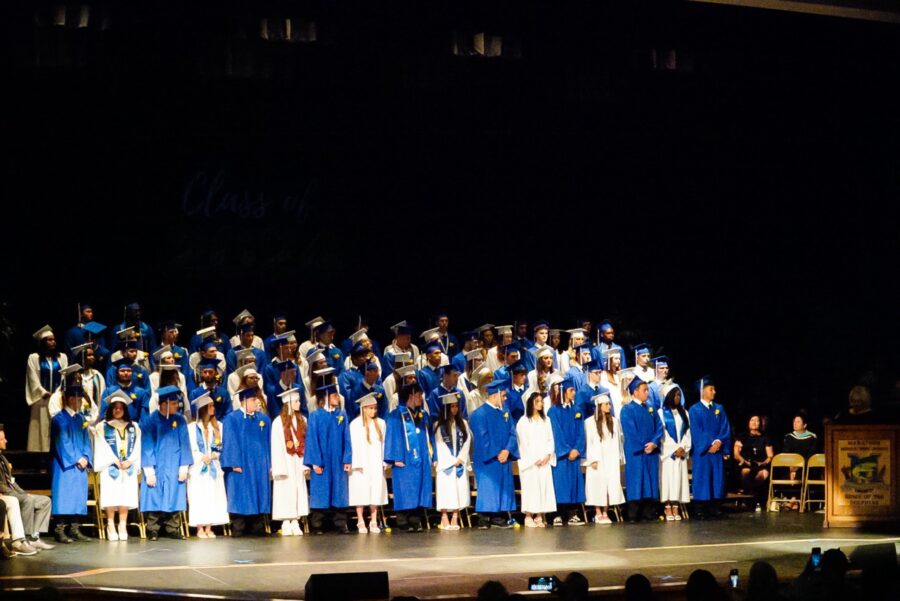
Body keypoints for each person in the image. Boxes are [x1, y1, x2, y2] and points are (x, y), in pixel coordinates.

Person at [140, 386, 192, 540]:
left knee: (175, 493)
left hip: (174, 464)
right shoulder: (150, 421)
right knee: (154, 493)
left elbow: (185, 444)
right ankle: (153, 529)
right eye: (174, 404)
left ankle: (172, 528)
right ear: (164, 403)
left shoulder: (180, 421)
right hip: (157, 465)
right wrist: (149, 472)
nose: (177, 406)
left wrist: (184, 467)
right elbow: (147, 446)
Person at [221, 387, 272, 537]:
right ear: (243, 401)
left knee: (258, 492)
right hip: (241, 464)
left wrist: (269, 463)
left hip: (259, 464)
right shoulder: (232, 419)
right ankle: (239, 527)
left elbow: (268, 442)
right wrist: (233, 462)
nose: (256, 402)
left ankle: (257, 526)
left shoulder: (263, 419)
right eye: (252, 400)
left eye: (256, 399)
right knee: (240, 493)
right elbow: (229, 441)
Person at [385, 381, 434, 532]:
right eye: (419, 395)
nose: (421, 398)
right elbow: (392, 437)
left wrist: (434, 456)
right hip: (404, 459)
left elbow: (430, 437)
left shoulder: (423, 415)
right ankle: (402, 520)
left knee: (419, 488)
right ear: (411, 396)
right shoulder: (396, 415)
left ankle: (415, 519)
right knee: (405, 488)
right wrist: (395, 458)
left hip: (422, 458)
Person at [470, 379, 519, 529]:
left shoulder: (505, 412)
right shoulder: (479, 414)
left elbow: (513, 433)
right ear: (495, 395)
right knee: (488, 486)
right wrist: (498, 452)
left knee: (503, 486)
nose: (505, 399)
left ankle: (499, 517)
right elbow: (482, 437)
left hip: (503, 457)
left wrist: (507, 450)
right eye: (503, 396)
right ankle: (484, 518)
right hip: (487, 460)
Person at [93, 390, 142, 541]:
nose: (118, 410)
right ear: (110, 409)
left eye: (121, 407)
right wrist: (113, 460)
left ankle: (122, 524)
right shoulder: (102, 426)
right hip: (110, 467)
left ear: (125, 409)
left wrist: (130, 460)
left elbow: (138, 446)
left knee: (125, 496)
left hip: (128, 467)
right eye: (115, 407)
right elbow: (100, 445)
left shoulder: (134, 426)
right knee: (111, 496)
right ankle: (110, 524)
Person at [304, 381, 352, 534]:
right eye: (334, 395)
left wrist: (347, 459)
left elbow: (347, 438)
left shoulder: (341, 415)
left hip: (338, 460)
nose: (338, 398)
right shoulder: (315, 416)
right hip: (322, 460)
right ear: (325, 397)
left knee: (339, 490)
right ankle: (317, 524)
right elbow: (311, 439)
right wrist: (315, 462)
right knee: (321, 490)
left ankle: (340, 523)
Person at [50, 382, 93, 543]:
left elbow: (86, 441)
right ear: (69, 399)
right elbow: (63, 441)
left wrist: (86, 457)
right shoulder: (59, 419)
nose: (81, 402)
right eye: (78, 399)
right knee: (64, 495)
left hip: (80, 464)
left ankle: (75, 529)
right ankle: (59, 529)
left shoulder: (81, 418)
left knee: (77, 496)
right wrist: (77, 458)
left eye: (81, 399)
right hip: (65, 465)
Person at [0, 424, 54, 552]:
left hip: (13, 491)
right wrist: (21, 495)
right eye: (3, 439)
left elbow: (12, 480)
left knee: (45, 501)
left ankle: (35, 538)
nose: (6, 441)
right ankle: (25, 538)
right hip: (5, 494)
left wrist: (23, 493)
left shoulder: (3, 458)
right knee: (27, 500)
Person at [688, 376, 732, 519]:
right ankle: (700, 509)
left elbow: (725, 428)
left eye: (714, 389)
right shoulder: (694, 409)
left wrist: (719, 442)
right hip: (703, 453)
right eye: (711, 389)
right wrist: (709, 444)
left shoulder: (719, 408)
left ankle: (715, 507)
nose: (714, 392)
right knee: (703, 478)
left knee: (716, 478)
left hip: (716, 452)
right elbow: (696, 431)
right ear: (702, 391)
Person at [620, 378, 663, 522]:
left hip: (650, 452)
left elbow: (659, 427)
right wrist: (644, 446)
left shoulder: (651, 407)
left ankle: (649, 513)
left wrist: (654, 443)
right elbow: (630, 432)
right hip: (636, 454)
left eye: (647, 390)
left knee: (650, 481)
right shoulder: (627, 409)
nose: (647, 393)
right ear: (635, 392)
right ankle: (634, 514)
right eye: (644, 390)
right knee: (637, 481)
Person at [187, 391, 229, 538]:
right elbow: (191, 447)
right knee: (199, 496)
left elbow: (220, 445)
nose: (213, 408)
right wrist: (200, 456)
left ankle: (209, 526)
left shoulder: (218, 427)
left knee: (212, 495)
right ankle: (200, 527)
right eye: (210, 406)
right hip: (198, 468)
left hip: (213, 466)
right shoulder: (192, 428)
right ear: (203, 408)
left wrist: (214, 454)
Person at [271, 388, 310, 536]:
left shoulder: (303, 420)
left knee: (298, 489)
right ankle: (285, 521)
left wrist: (306, 464)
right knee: (285, 490)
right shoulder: (278, 423)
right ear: (288, 403)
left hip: (298, 460)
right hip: (285, 461)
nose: (299, 403)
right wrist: (279, 467)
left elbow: (306, 443)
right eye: (296, 401)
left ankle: (295, 520)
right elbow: (276, 446)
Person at [548, 379, 586, 526]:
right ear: (564, 392)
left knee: (573, 484)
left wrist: (577, 449)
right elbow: (556, 433)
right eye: (571, 390)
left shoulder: (577, 410)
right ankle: (557, 514)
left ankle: (572, 514)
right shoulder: (553, 411)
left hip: (574, 455)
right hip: (562, 456)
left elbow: (581, 432)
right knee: (561, 484)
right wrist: (566, 450)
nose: (574, 393)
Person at [348, 392, 388, 534]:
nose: (373, 411)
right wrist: (356, 463)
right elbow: (352, 445)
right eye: (370, 408)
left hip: (375, 461)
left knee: (375, 491)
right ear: (363, 408)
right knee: (360, 491)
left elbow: (384, 444)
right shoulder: (355, 424)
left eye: (375, 408)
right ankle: (360, 520)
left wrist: (384, 461)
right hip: (361, 463)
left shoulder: (381, 423)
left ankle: (374, 520)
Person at [515, 392, 556, 528]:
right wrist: (534, 459)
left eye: (541, 401)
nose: (541, 403)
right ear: (531, 402)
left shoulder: (546, 420)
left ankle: (539, 514)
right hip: (531, 462)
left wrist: (548, 455)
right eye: (537, 401)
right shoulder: (524, 421)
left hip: (544, 460)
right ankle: (528, 515)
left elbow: (551, 439)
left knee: (543, 486)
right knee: (531, 488)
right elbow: (523, 443)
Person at [584, 392, 625, 524]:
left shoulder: (614, 421)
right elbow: (588, 442)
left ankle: (606, 512)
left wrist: (619, 458)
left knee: (609, 485)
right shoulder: (589, 422)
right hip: (597, 459)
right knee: (597, 485)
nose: (609, 406)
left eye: (609, 404)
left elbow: (619, 441)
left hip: (611, 459)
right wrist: (592, 459)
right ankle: (598, 512)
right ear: (599, 406)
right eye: (606, 404)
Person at [26, 325, 68, 451]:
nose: (53, 342)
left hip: (57, 400)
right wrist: (43, 392)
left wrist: (56, 393)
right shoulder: (34, 358)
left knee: (56, 427)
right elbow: (32, 377)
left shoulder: (62, 357)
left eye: (54, 339)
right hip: (41, 400)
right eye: (49, 340)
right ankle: (42, 459)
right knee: (42, 429)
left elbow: (64, 376)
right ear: (43, 342)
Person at [434, 392, 471, 530]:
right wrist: (451, 461)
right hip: (446, 465)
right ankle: (444, 516)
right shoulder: (438, 425)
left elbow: (467, 441)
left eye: (456, 406)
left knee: (459, 490)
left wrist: (461, 458)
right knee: (446, 490)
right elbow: (440, 445)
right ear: (446, 408)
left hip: (459, 463)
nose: (454, 409)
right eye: (452, 407)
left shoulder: (463, 424)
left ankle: (455, 516)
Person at [658, 384, 691, 521]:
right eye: (676, 395)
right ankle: (667, 506)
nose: (678, 398)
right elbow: (662, 434)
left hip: (680, 453)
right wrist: (673, 449)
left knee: (678, 480)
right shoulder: (661, 413)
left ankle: (676, 505)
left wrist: (683, 447)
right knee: (667, 480)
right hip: (667, 454)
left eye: (679, 395)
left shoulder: (685, 412)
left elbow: (687, 432)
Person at [733, 415, 773, 507]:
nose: (754, 422)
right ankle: (751, 495)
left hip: (760, 464)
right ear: (748, 423)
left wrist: (763, 463)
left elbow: (770, 456)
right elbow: (736, 454)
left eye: (757, 420)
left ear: (760, 423)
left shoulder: (765, 438)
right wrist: (744, 461)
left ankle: (751, 494)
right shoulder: (742, 436)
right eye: (752, 420)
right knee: (746, 472)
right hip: (745, 463)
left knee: (764, 474)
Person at [100, 357, 151, 423]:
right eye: (122, 371)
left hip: (134, 427)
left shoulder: (141, 393)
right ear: (117, 373)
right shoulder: (108, 392)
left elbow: (144, 416)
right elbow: (104, 413)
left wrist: (138, 429)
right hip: (112, 426)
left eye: (129, 370)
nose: (126, 373)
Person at [190, 356, 232, 420]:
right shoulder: (195, 393)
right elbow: (194, 414)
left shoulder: (224, 393)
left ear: (215, 373)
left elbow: (228, 413)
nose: (207, 375)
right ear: (201, 374)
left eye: (210, 372)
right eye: (205, 372)